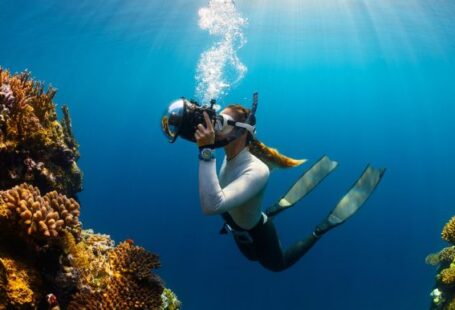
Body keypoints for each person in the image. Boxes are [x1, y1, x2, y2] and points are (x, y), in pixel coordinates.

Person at [195, 104, 331, 272]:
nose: (214, 127)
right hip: (235, 224)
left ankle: (319, 231)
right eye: (216, 120)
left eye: (221, 122)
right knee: (251, 257)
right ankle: (271, 210)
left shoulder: (258, 170)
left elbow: (212, 205)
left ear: (241, 131)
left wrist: (205, 151)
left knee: (277, 265)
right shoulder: (232, 156)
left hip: (258, 232)